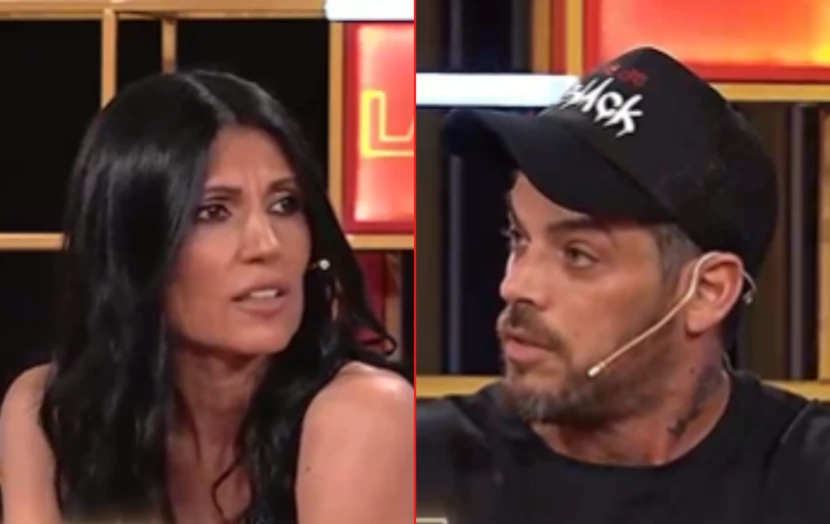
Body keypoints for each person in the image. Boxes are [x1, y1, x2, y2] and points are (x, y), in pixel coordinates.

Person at [417, 47, 830, 524]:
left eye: (578, 255)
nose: (515, 285)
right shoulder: (409, 466)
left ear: (707, 292)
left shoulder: (810, 480)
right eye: (518, 238)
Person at [0, 70, 413, 524]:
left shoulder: (363, 410)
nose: (267, 244)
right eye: (213, 211)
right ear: (134, 244)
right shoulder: (50, 412)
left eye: (284, 204)